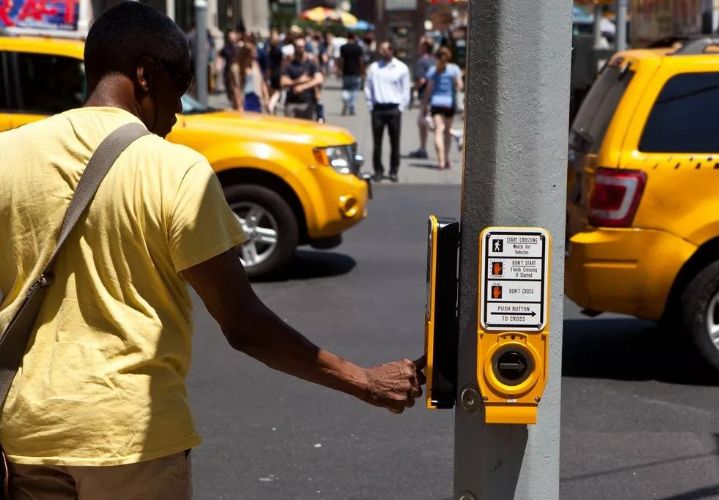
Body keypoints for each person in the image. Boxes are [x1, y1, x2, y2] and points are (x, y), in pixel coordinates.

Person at [0, 3, 424, 498]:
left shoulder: (10, 153)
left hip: (26, 435)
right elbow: (245, 326)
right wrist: (365, 382)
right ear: (145, 74)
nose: (178, 113)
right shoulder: (175, 170)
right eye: (179, 90)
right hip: (131, 439)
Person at [364, 41, 411, 183]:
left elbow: (406, 89)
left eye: (384, 49)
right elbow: (368, 87)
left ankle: (393, 170)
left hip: (393, 109)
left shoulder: (401, 68)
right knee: (377, 143)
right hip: (378, 109)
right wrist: (370, 105)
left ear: (391, 50)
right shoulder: (374, 68)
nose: (381, 51)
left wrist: (401, 107)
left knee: (394, 142)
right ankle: (378, 170)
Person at [423, 46, 463, 170]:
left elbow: (428, 89)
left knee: (438, 130)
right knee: (447, 131)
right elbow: (460, 86)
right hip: (449, 103)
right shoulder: (454, 69)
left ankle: (440, 161)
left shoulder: (433, 70)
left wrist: (424, 104)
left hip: (436, 103)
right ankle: (446, 159)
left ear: (436, 56)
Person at [281, 38, 324, 120]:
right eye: (298, 47)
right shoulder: (289, 65)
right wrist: (298, 81)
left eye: (302, 46)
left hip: (307, 103)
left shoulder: (311, 64)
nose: (301, 49)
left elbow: (319, 79)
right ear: (295, 48)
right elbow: (283, 82)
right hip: (291, 103)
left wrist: (303, 86)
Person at [408, 37, 436, 159]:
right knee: (427, 122)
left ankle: (423, 148)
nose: (418, 47)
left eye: (420, 45)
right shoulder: (436, 61)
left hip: (426, 96)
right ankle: (422, 148)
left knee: (424, 122)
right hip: (438, 95)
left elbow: (421, 80)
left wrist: (413, 88)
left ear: (424, 48)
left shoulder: (421, 62)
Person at [238, 41, 269, 113]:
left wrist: (266, 97)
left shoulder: (256, 64)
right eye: (254, 52)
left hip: (257, 96)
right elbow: (239, 86)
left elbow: (262, 82)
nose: (256, 53)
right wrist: (239, 104)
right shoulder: (242, 66)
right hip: (247, 97)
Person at [338, 31, 364, 116]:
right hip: (356, 72)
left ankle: (345, 100)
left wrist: (340, 70)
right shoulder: (358, 48)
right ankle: (352, 107)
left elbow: (341, 60)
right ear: (354, 38)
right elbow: (360, 61)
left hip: (346, 71)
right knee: (354, 90)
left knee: (345, 88)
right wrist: (362, 71)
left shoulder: (343, 47)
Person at [219, 29, 242, 110]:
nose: (232, 36)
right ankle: (235, 105)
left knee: (237, 89)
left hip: (238, 72)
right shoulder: (226, 47)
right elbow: (221, 56)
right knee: (230, 90)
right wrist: (218, 67)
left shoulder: (240, 46)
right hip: (228, 72)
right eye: (230, 35)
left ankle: (238, 106)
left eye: (233, 34)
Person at [265, 30, 284, 113]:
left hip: (272, 71)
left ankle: (273, 110)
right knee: (277, 92)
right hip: (277, 71)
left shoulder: (269, 48)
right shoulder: (279, 48)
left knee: (272, 91)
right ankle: (271, 105)